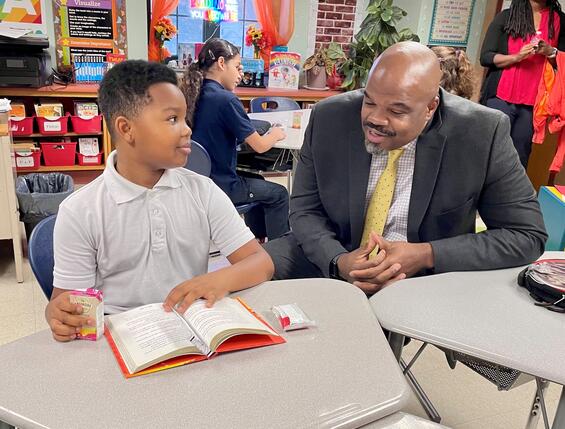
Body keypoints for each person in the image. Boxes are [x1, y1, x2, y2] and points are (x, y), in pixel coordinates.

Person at [264, 42, 547, 295]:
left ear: (430, 107)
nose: (375, 119)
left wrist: (426, 254)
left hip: (420, 275)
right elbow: (304, 210)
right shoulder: (331, 118)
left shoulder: (482, 132)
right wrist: (339, 260)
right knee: (251, 273)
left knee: (368, 331)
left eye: (397, 111)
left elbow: (525, 235)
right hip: (336, 250)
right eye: (370, 101)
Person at [45, 60, 274, 342]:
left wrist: (218, 279)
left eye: (185, 118)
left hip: (188, 331)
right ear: (126, 129)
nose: (187, 129)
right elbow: (66, 300)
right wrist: (59, 314)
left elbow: (261, 263)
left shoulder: (203, 191)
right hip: (119, 337)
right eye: (172, 119)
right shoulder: (81, 210)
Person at [181, 38, 290, 241]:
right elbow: (259, 146)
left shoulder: (191, 94)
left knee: (257, 182)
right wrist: (275, 134)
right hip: (222, 187)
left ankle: (258, 240)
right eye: (238, 67)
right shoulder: (226, 100)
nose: (241, 74)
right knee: (279, 194)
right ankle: (279, 254)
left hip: (196, 184)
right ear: (222, 63)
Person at [480, 0, 565, 168]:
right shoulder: (506, 17)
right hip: (500, 96)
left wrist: (551, 52)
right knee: (490, 150)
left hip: (534, 103)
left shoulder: (561, 21)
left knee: (520, 155)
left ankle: (511, 195)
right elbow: (486, 57)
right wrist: (517, 57)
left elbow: (562, 62)